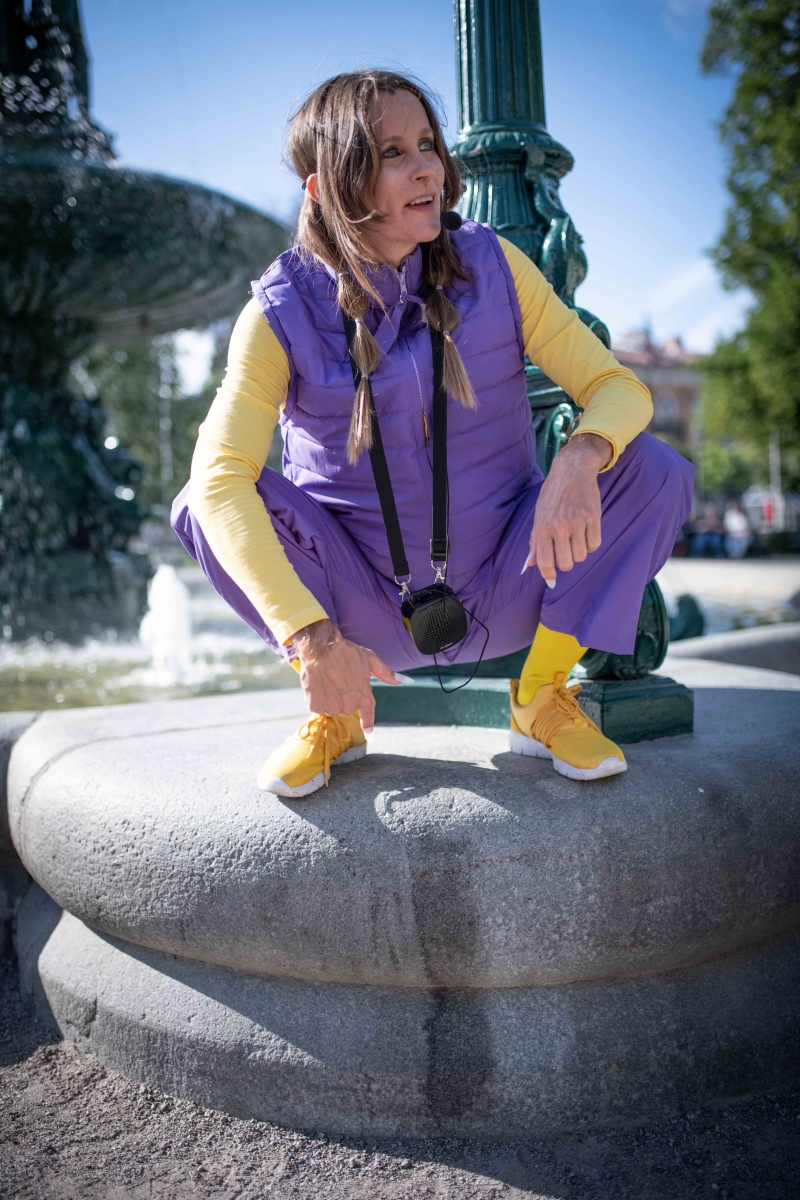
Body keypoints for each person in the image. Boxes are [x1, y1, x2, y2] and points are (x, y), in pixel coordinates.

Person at [172, 70, 693, 797]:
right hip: (359, 609)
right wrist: (312, 638)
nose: (428, 169)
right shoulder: (277, 311)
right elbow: (219, 476)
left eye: (428, 144)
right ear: (326, 189)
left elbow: (616, 387)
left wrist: (580, 458)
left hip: (509, 581)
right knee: (205, 499)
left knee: (655, 469)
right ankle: (338, 710)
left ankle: (540, 696)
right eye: (391, 153)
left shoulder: (495, 264)